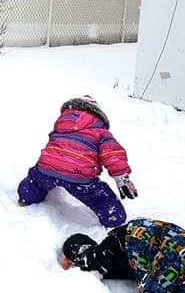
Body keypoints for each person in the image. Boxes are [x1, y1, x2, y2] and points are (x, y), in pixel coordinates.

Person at [16, 96, 136, 227]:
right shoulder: (100, 131)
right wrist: (121, 178)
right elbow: (112, 154)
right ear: (97, 114)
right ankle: (114, 219)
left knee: (35, 181)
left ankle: (26, 197)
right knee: (101, 199)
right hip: (78, 176)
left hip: (46, 169)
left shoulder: (60, 126)